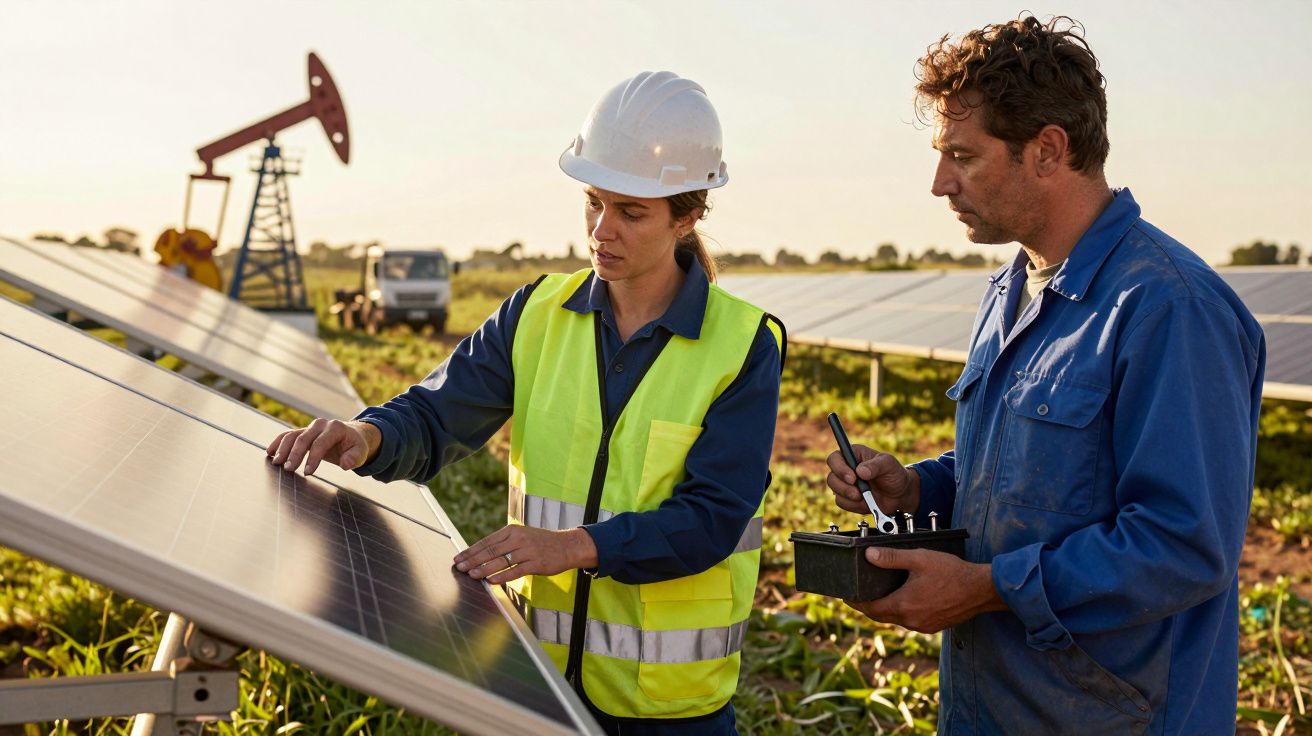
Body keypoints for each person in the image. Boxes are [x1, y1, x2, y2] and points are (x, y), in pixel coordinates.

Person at [268, 71, 783, 735]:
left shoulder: (743, 345)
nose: (601, 230)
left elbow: (712, 518)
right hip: (537, 680)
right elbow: (437, 412)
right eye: (593, 202)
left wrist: (574, 546)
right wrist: (369, 436)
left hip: (668, 708)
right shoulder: (536, 312)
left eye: (631, 213)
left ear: (686, 218)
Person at [825, 16, 1265, 735]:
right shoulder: (1010, 290)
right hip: (992, 705)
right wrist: (918, 489)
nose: (939, 183)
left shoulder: (1168, 308)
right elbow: (1030, 476)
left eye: (962, 156)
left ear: (1048, 150)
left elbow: (1183, 545)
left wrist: (988, 588)